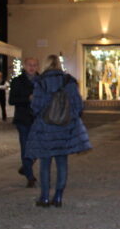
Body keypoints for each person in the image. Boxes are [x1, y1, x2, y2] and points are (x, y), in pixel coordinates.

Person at [25, 55, 91, 208]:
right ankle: (59, 196)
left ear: (46, 65)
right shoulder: (69, 81)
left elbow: (36, 107)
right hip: (65, 128)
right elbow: (78, 105)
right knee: (62, 162)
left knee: (45, 164)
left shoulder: (41, 82)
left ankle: (45, 197)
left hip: (45, 128)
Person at [9, 58, 39, 188]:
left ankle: (26, 166)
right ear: (25, 66)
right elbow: (12, 100)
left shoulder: (41, 81)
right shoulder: (17, 81)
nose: (32, 67)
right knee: (25, 146)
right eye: (29, 65)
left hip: (38, 119)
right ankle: (30, 176)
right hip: (23, 119)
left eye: (34, 65)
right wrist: (27, 99)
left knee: (38, 146)